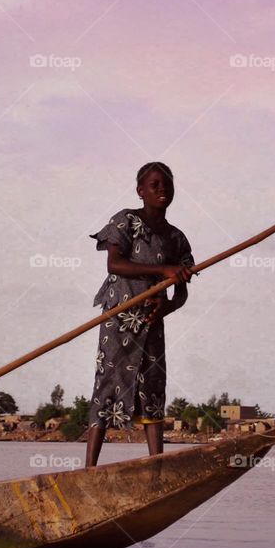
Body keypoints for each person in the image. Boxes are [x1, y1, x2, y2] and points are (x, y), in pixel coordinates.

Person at [85, 162, 194, 468]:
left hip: (151, 321)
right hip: (120, 317)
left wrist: (169, 306)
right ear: (140, 191)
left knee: (153, 387)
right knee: (107, 383)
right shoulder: (126, 221)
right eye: (154, 185)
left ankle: (157, 467)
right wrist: (163, 269)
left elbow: (182, 290)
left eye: (166, 185)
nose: (162, 190)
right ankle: (89, 469)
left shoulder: (176, 238)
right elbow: (115, 265)